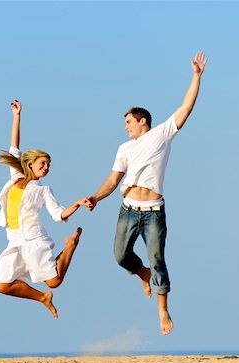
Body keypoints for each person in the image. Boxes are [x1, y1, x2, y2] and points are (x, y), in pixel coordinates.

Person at [88, 51, 208, 335]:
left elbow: (185, 108)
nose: (125, 126)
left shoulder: (161, 134)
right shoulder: (124, 149)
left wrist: (196, 76)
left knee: (158, 259)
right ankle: (141, 274)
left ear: (143, 121)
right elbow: (112, 180)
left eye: (128, 121)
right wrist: (95, 197)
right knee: (120, 256)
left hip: (153, 211)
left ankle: (163, 309)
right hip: (128, 208)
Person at [0, 100, 91, 319]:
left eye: (48, 165)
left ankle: (70, 245)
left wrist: (77, 203)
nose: (46, 168)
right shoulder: (15, 178)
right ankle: (42, 298)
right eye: (43, 164)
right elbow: (14, 147)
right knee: (2, 285)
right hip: (14, 241)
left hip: (34, 240)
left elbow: (58, 214)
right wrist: (17, 116)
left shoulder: (43, 190)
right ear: (30, 164)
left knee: (54, 281)